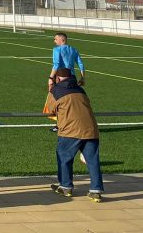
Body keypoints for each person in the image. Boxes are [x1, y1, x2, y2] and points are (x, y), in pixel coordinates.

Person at [47, 67, 104, 202]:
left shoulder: (56, 90)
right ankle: (96, 190)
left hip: (70, 130)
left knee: (64, 157)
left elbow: (50, 110)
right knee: (93, 161)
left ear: (58, 79)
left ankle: (66, 186)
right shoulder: (81, 89)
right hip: (91, 129)